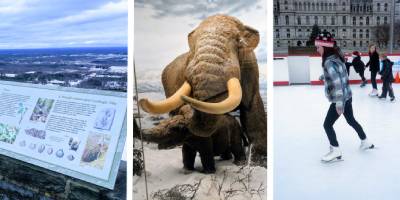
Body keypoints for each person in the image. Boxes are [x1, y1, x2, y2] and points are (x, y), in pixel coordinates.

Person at [315, 32, 374, 163]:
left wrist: (339, 104)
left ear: (324, 47)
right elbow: (340, 76)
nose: (317, 50)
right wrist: (324, 77)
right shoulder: (337, 57)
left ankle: (335, 150)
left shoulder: (328, 63)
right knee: (351, 120)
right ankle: (366, 141)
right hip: (348, 97)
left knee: (327, 125)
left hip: (340, 99)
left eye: (318, 47)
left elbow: (337, 84)